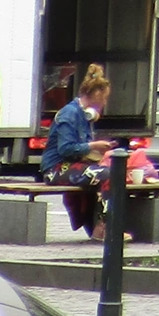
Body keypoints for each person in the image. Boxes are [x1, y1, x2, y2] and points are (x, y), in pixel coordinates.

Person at [41, 64, 114, 239]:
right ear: (96, 95)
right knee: (107, 175)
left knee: (115, 171)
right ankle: (104, 228)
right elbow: (65, 149)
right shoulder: (69, 114)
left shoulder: (84, 116)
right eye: (104, 98)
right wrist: (94, 146)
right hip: (56, 169)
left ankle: (98, 226)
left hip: (71, 165)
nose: (104, 103)